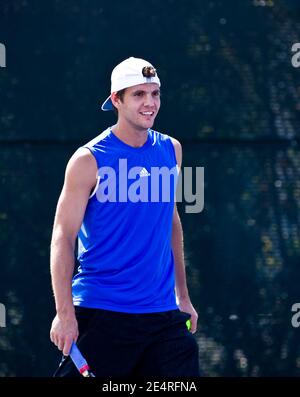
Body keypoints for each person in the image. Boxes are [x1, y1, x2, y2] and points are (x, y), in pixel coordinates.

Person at [50, 56, 200, 377]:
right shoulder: (88, 160)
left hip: (163, 319)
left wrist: (182, 297)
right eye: (138, 95)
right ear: (116, 100)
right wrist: (64, 314)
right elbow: (63, 237)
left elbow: (170, 220)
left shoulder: (171, 150)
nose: (150, 103)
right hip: (102, 313)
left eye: (155, 94)